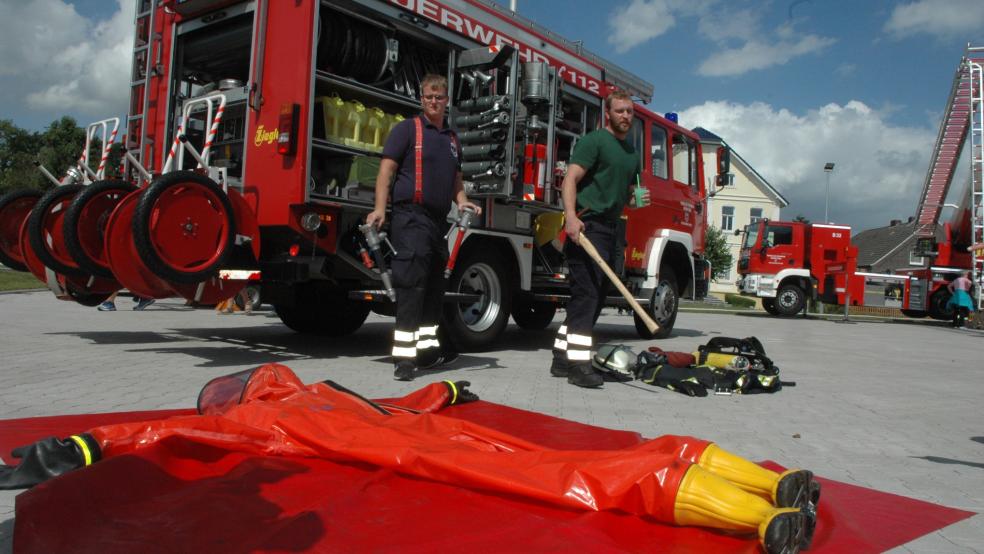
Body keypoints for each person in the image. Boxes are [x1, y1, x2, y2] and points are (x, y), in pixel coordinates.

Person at [0, 364, 818, 553]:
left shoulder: (257, 422)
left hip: (422, 447)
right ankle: (769, 483)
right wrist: (450, 392)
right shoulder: (330, 391)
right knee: (611, 453)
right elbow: (412, 401)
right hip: (436, 432)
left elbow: (163, 434)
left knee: (575, 480)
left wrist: (74, 447)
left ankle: (763, 515)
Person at [366, 74, 481, 382]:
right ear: (421, 99)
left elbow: (456, 179)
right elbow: (386, 171)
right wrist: (380, 209)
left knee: (433, 288)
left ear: (446, 100)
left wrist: (463, 201)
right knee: (412, 287)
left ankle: (428, 352)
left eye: (439, 97)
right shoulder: (407, 130)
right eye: (429, 96)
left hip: (437, 221)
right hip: (410, 217)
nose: (434, 101)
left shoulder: (452, 140)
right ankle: (403, 359)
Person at [550, 90, 649, 388]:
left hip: (612, 228)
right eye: (620, 111)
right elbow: (570, 179)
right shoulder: (594, 142)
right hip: (587, 225)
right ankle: (579, 367)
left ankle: (560, 357)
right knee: (587, 295)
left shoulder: (632, 155)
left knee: (597, 296)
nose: (626, 116)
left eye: (630, 112)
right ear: (608, 114)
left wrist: (635, 199)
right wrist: (570, 216)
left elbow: (628, 196)